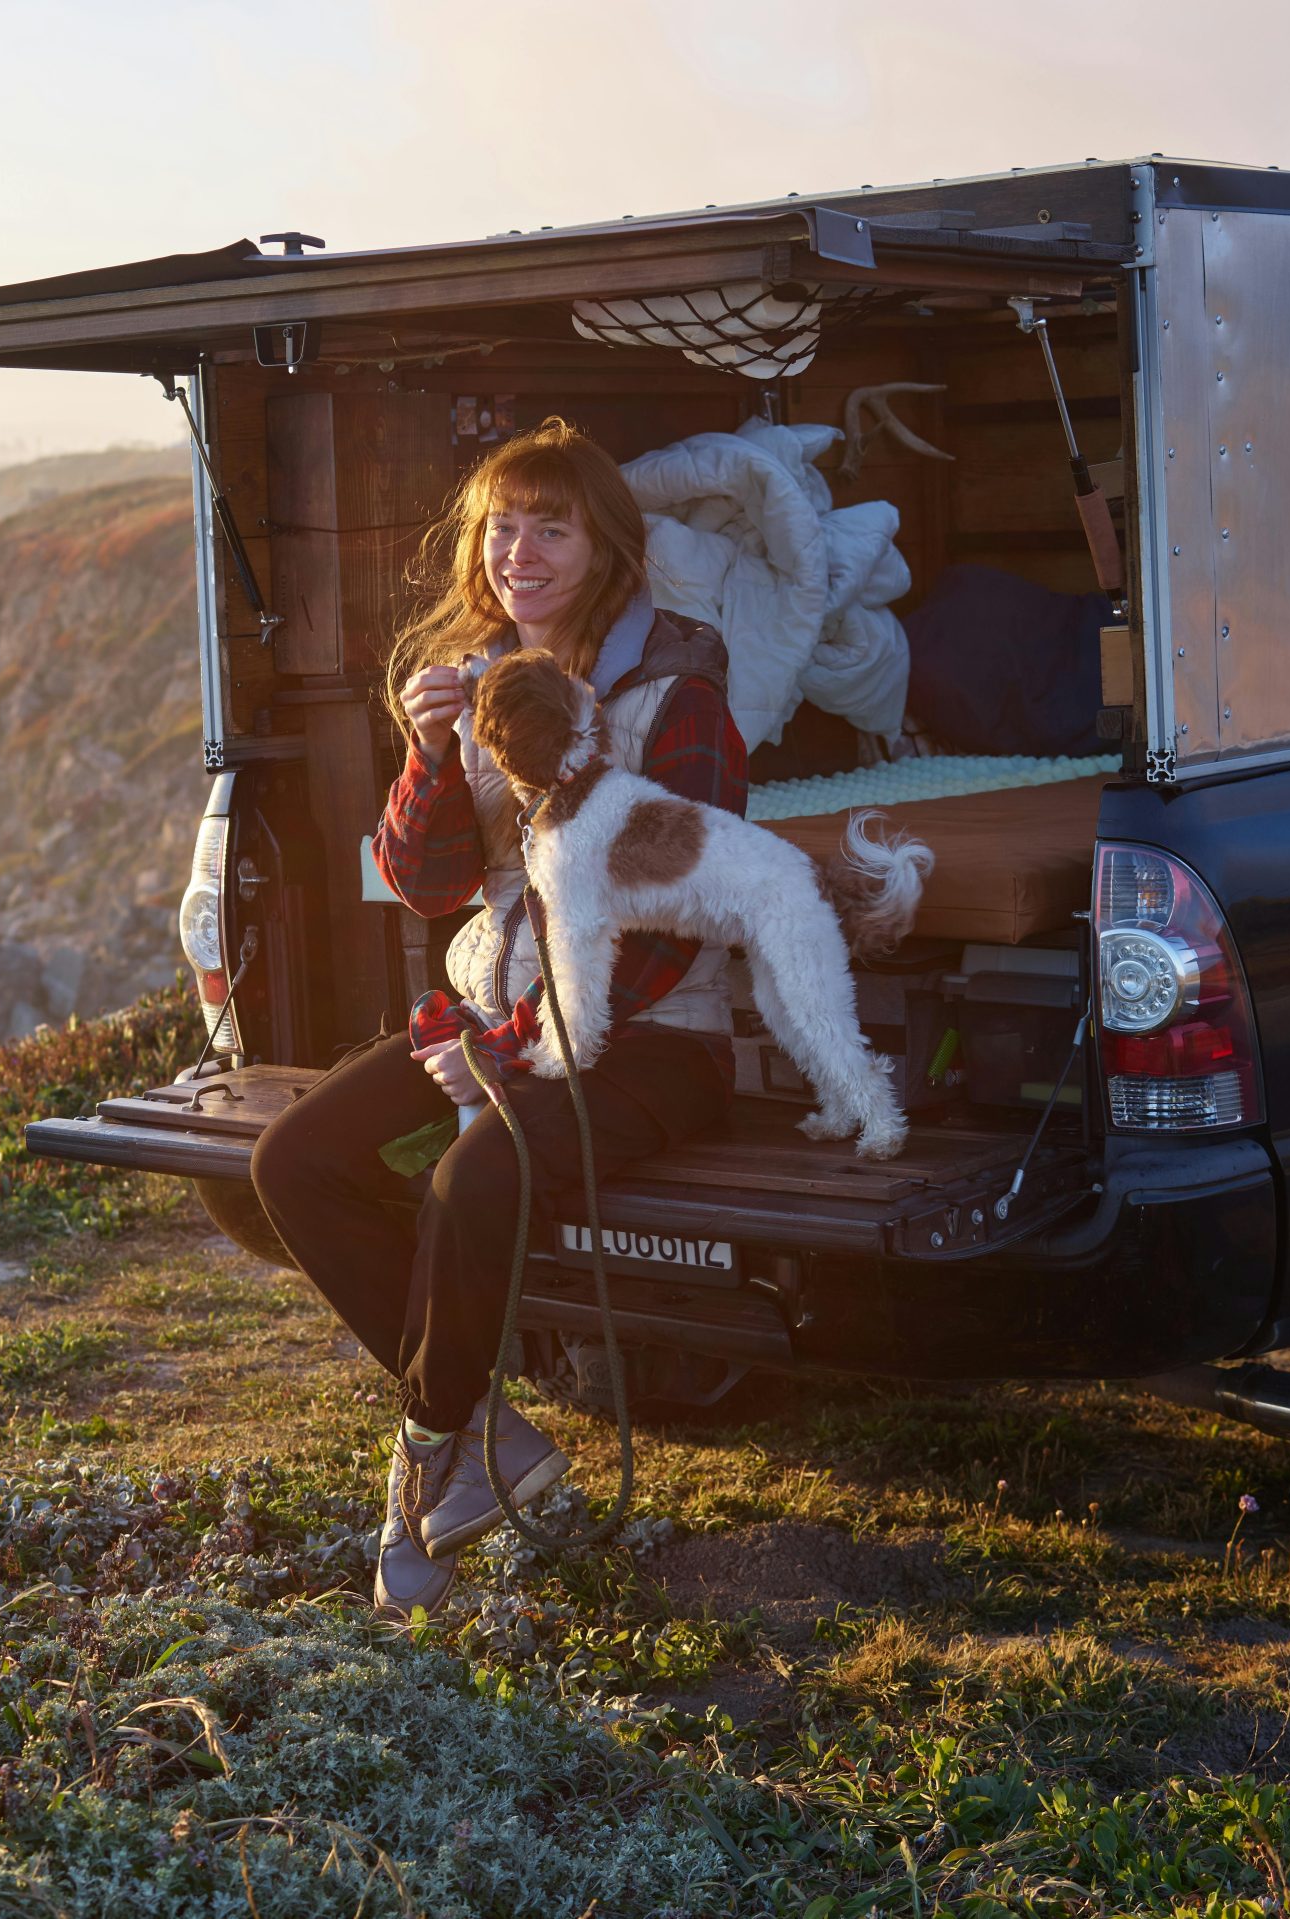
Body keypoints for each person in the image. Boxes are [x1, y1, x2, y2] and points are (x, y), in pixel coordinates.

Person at [249, 418, 748, 1616]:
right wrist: (428, 750)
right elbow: (425, 884)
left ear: (606, 547)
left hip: (653, 1036)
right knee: (294, 1158)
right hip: (492, 1014)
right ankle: (486, 1436)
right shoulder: (471, 680)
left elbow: (678, 915)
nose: (519, 550)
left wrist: (526, 1045)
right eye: (501, 526)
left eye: (551, 527)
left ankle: (424, 1464)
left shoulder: (675, 692)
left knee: (473, 1174)